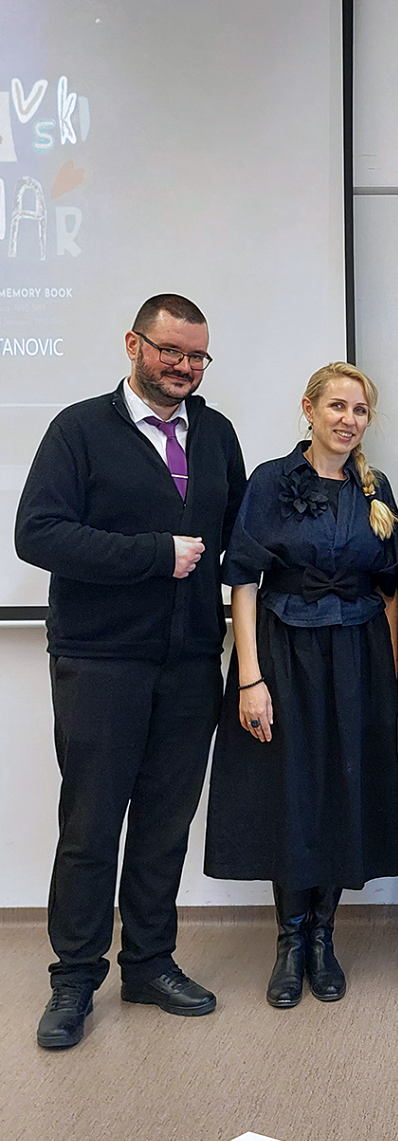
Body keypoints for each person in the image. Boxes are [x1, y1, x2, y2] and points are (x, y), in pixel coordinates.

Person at [15, 293, 247, 1049]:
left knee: (164, 825)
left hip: (190, 662)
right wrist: (154, 554)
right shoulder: (79, 429)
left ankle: (149, 965)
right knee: (90, 827)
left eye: (197, 355)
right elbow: (37, 534)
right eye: (170, 350)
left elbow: (238, 536)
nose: (183, 366)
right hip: (100, 661)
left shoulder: (216, 433)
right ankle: (74, 979)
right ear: (133, 345)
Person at [204, 362, 398, 1007]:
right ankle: (290, 940)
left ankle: (324, 936)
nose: (348, 420)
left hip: (358, 655)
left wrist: (390, 674)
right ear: (310, 409)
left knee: (345, 787)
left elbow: (390, 589)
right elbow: (243, 580)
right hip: (284, 652)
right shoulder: (271, 481)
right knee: (291, 788)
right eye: (337, 407)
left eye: (360, 410)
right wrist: (250, 678)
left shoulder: (377, 490)